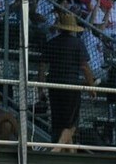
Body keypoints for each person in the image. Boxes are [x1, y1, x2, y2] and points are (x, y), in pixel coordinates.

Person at [40, 13, 95, 150]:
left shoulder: (52, 43)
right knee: (71, 123)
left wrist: (40, 87)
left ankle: (70, 150)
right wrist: (92, 86)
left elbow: (42, 66)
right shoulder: (78, 44)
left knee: (58, 120)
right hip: (71, 85)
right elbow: (84, 67)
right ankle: (57, 148)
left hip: (54, 85)